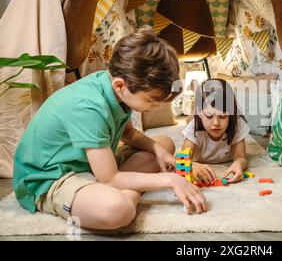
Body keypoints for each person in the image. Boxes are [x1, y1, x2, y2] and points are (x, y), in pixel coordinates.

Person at [13, 26, 207, 230]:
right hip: (51, 178)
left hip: (89, 165)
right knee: (119, 209)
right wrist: (169, 180)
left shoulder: (113, 88)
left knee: (163, 144)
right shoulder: (88, 107)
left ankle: (124, 188)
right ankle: (126, 194)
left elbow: (129, 134)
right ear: (120, 86)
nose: (155, 107)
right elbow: (110, 178)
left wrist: (157, 150)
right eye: (151, 101)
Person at [181, 79, 250, 185]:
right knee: (190, 119)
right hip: (197, 120)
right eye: (209, 116)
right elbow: (182, 160)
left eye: (223, 116)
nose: (216, 123)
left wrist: (239, 163)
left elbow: (241, 157)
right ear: (200, 114)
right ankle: (195, 102)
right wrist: (191, 165)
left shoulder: (237, 123)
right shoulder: (194, 127)